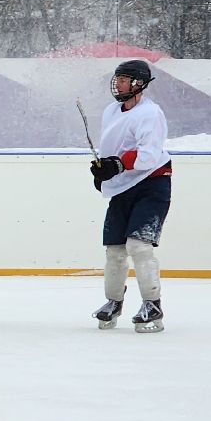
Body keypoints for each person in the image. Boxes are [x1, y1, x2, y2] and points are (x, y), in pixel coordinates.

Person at [89, 58, 172, 333]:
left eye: (124, 79)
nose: (118, 84)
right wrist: (103, 172)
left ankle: (152, 304)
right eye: (118, 79)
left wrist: (118, 164)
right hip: (123, 187)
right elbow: (111, 149)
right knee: (114, 250)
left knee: (139, 246)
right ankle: (113, 302)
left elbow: (149, 155)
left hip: (152, 184)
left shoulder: (151, 114)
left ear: (139, 84)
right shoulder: (111, 111)